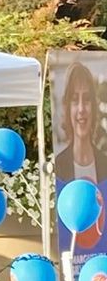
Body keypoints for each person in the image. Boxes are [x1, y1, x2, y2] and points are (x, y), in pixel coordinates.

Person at [54, 60, 107, 250]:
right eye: (75, 100)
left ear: (94, 106)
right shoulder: (59, 165)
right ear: (67, 107)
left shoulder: (105, 163)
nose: (81, 109)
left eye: (87, 99)